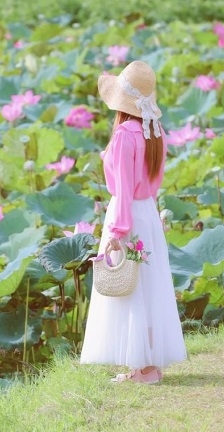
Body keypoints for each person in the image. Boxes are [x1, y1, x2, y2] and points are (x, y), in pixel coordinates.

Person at [80, 60, 187, 383]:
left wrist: (117, 232)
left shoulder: (126, 135)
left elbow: (124, 190)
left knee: (132, 289)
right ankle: (148, 364)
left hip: (127, 214)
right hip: (148, 213)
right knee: (149, 288)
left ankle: (141, 370)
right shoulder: (155, 132)